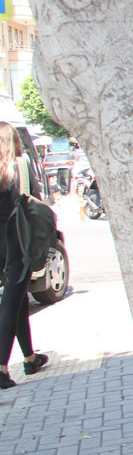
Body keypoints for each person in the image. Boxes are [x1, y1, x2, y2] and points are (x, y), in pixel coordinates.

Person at [0, 123, 49, 389]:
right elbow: (35, 199)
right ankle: (1, 368)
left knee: (17, 301)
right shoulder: (19, 165)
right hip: (16, 240)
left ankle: (30, 359)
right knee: (9, 304)